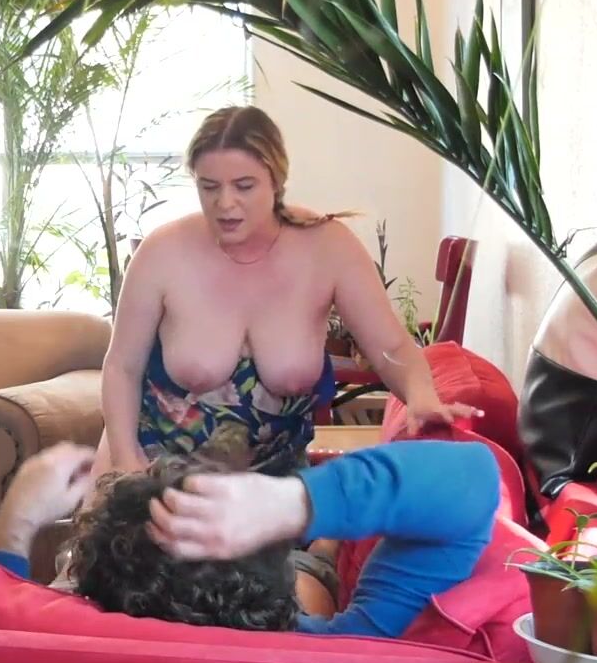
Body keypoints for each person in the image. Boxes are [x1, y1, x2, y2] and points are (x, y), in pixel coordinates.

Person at [96, 105, 479, 477]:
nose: (225, 203)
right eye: (208, 186)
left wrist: (420, 394)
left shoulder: (328, 246)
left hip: (274, 487)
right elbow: (121, 367)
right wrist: (125, 461)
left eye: (244, 186)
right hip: (157, 470)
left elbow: (390, 346)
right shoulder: (162, 251)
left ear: (277, 180)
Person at [0, 441, 498, 637]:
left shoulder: (62, 638)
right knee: (319, 567)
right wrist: (293, 503)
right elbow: (475, 477)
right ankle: (321, 548)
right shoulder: (359, 646)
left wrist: (16, 521)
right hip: (305, 597)